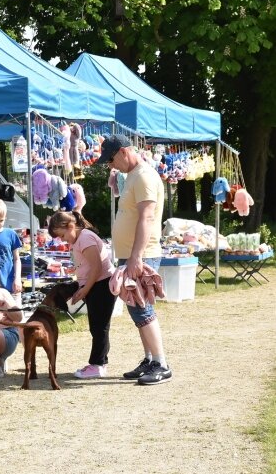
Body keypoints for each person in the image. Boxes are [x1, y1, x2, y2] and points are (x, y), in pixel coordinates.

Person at [96, 134, 171, 385]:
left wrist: (137, 257)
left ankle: (161, 363)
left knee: (142, 308)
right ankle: (150, 359)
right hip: (132, 254)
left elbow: (147, 218)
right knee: (136, 308)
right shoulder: (133, 176)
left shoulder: (144, 176)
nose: (110, 165)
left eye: (111, 159)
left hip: (141, 254)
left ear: (124, 151)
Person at [48, 210, 116, 379]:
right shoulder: (80, 239)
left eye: (63, 236)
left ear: (71, 226)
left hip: (101, 285)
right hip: (95, 285)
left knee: (99, 326)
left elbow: (97, 267)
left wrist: (84, 289)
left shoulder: (85, 238)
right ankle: (99, 362)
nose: (63, 240)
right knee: (97, 326)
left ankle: (97, 364)